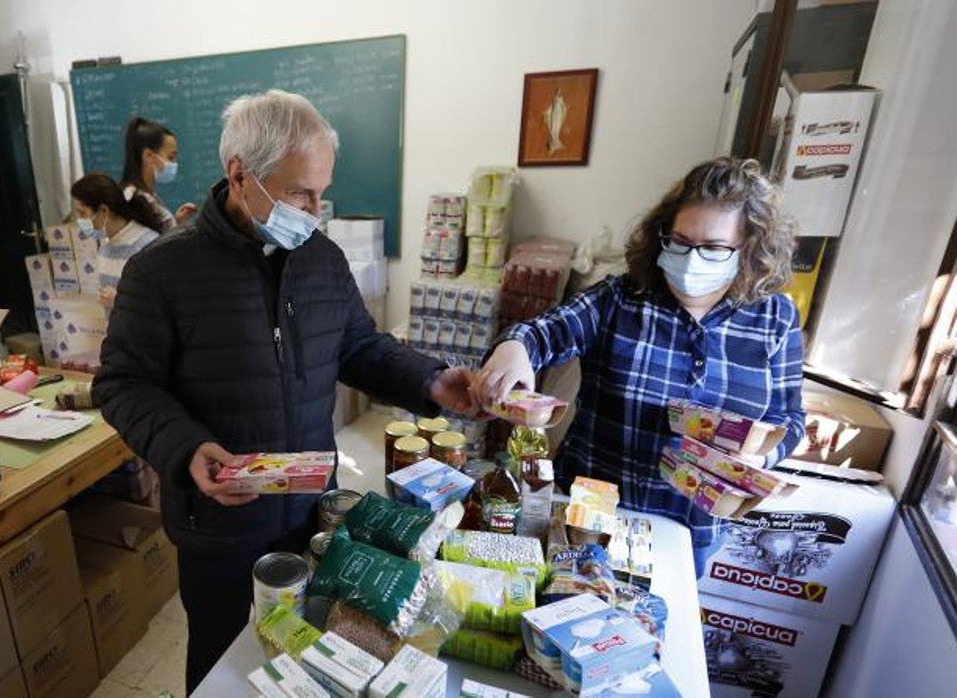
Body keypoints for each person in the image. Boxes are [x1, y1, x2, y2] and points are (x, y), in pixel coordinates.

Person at [93, 89, 477, 692]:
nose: (316, 208)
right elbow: (121, 383)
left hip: (310, 509)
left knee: (306, 654)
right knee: (220, 667)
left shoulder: (321, 259)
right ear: (240, 173)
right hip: (217, 522)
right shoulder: (162, 271)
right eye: (301, 192)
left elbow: (358, 347)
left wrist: (430, 379)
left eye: (322, 191)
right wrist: (186, 448)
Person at [473, 157, 805, 573]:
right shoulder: (620, 298)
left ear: (751, 249)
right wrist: (514, 348)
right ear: (662, 234)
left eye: (714, 249)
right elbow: (545, 331)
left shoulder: (776, 319)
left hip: (690, 531)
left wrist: (760, 461)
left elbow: (788, 418)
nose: (691, 260)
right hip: (587, 519)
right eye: (680, 242)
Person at [69, 172, 164, 310]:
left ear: (104, 211)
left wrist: (121, 302)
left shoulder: (147, 245)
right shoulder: (105, 249)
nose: (80, 221)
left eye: (83, 213)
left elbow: (163, 304)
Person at [120, 117, 197, 230]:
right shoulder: (135, 200)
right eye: (170, 157)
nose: (174, 164)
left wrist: (175, 223)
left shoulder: (147, 196)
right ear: (149, 155)